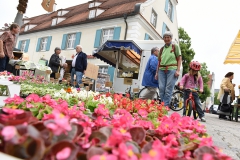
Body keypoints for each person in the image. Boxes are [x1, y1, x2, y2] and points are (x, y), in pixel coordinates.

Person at [155, 31, 182, 107]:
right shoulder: (162, 49)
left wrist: (178, 70)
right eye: (165, 37)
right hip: (161, 70)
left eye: (168, 37)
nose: (166, 39)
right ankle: (163, 105)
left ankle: (165, 106)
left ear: (171, 38)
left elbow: (179, 58)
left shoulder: (175, 46)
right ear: (163, 38)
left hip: (172, 69)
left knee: (168, 89)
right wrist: (157, 73)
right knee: (161, 88)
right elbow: (159, 62)